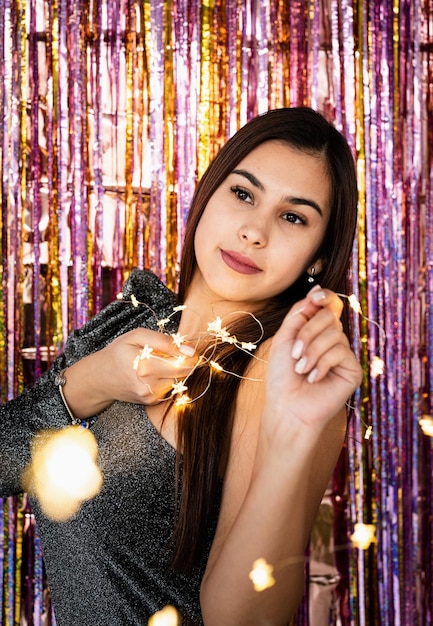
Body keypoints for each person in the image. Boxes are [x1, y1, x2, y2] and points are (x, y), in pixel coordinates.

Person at [0, 106, 363, 625]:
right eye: (243, 193)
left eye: (293, 216)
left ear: (318, 258)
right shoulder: (125, 326)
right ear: (208, 194)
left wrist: (290, 438)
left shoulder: (283, 377)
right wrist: (89, 381)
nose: (254, 232)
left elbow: (241, 619)